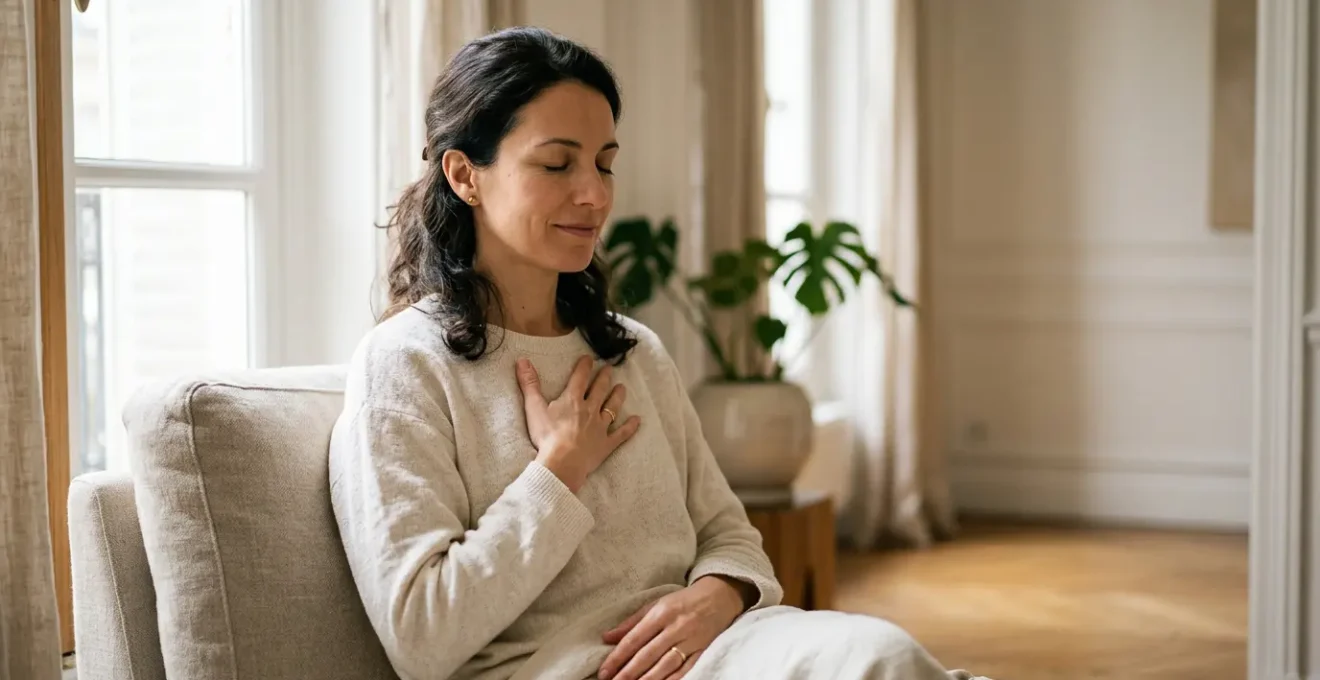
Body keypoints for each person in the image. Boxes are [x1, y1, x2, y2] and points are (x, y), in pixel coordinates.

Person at [328, 26, 986, 680]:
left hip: (722, 648)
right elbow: (420, 636)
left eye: (605, 163)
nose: (595, 194)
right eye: (557, 164)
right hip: (564, 669)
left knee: (880, 655)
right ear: (465, 174)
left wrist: (719, 594)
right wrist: (558, 471)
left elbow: (730, 536)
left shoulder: (633, 352)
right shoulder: (404, 365)